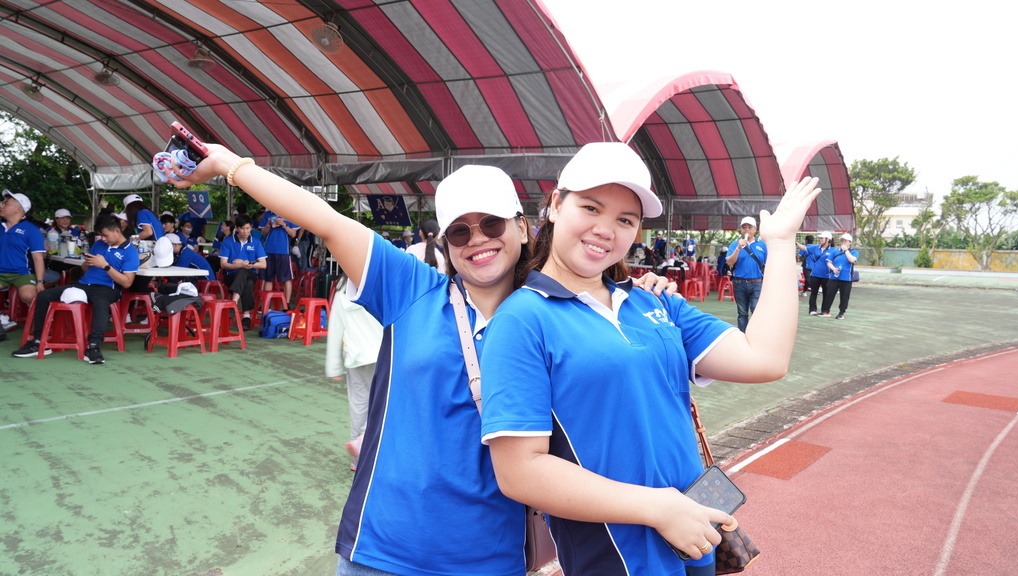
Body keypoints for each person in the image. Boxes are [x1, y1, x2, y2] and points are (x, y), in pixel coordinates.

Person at [163, 146, 675, 576]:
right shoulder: (411, 290)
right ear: (445, 244)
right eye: (460, 232)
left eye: (492, 223)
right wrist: (230, 165)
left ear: (522, 228)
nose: (478, 239)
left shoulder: (561, 316)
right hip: (381, 552)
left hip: (490, 558)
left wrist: (644, 294)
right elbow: (322, 218)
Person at [479, 142, 821, 576]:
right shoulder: (522, 319)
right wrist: (658, 509)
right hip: (617, 557)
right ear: (556, 206)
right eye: (591, 208)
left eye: (625, 219)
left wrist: (782, 243)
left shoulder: (653, 302)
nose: (606, 229)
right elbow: (519, 471)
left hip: (695, 538)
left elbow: (765, 359)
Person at [12, 213, 139, 364]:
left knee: (100, 302)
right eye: (101, 235)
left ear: (117, 231)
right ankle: (38, 341)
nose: (103, 239)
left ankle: (93, 345)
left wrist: (105, 266)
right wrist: (87, 264)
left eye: (106, 235)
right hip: (84, 285)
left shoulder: (130, 251)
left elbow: (127, 283)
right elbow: (86, 268)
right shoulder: (99, 244)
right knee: (43, 296)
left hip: (107, 288)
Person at [325, 275, 384, 472]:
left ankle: (358, 458)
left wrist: (334, 365)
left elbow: (335, 329)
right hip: (382, 354)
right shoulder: (380, 283)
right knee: (383, 404)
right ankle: (364, 441)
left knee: (359, 406)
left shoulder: (342, 291)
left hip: (356, 358)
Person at [0, 190, 46, 319]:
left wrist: (40, 282)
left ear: (18, 209)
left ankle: (41, 324)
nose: (1, 205)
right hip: (1, 273)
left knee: (29, 296)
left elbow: (38, 258)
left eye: (6, 203)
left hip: (23, 274)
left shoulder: (31, 230)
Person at [219, 214, 266, 330]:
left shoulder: (256, 242)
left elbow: (263, 264)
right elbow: (223, 264)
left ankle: (233, 304)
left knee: (243, 272)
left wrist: (249, 264)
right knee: (246, 281)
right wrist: (239, 265)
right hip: (231, 276)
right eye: (242, 228)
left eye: (248, 228)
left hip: (251, 273)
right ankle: (246, 317)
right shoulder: (228, 241)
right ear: (237, 228)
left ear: (251, 228)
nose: (245, 231)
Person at [725, 216, 767, 332]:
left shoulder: (762, 245)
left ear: (755, 229)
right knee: (742, 312)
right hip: (739, 283)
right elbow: (730, 262)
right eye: (744, 227)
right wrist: (738, 248)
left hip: (757, 283)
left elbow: (767, 263)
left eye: (750, 227)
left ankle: (757, 334)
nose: (747, 229)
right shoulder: (735, 244)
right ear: (741, 229)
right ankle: (743, 334)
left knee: (756, 309)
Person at [259, 209, 299, 306]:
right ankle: (266, 305)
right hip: (268, 250)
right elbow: (263, 233)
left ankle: (286, 304)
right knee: (268, 278)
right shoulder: (267, 214)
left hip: (283, 251)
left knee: (286, 278)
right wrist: (268, 225)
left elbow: (293, 234)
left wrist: (284, 224)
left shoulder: (290, 213)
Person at [820, 233, 859, 320]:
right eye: (842, 241)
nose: (843, 242)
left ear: (850, 242)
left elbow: (852, 260)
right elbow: (829, 262)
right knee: (829, 294)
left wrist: (846, 251)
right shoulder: (835, 251)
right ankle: (826, 311)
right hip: (834, 277)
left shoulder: (854, 252)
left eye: (845, 241)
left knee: (844, 296)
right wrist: (833, 268)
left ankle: (841, 313)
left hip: (846, 278)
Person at [800, 231, 835, 316]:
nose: (819, 239)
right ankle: (812, 310)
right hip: (815, 274)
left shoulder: (834, 250)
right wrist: (796, 243)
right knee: (814, 292)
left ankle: (825, 310)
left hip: (827, 275)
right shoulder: (815, 247)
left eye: (821, 238)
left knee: (826, 293)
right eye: (819, 238)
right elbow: (804, 248)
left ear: (827, 239)